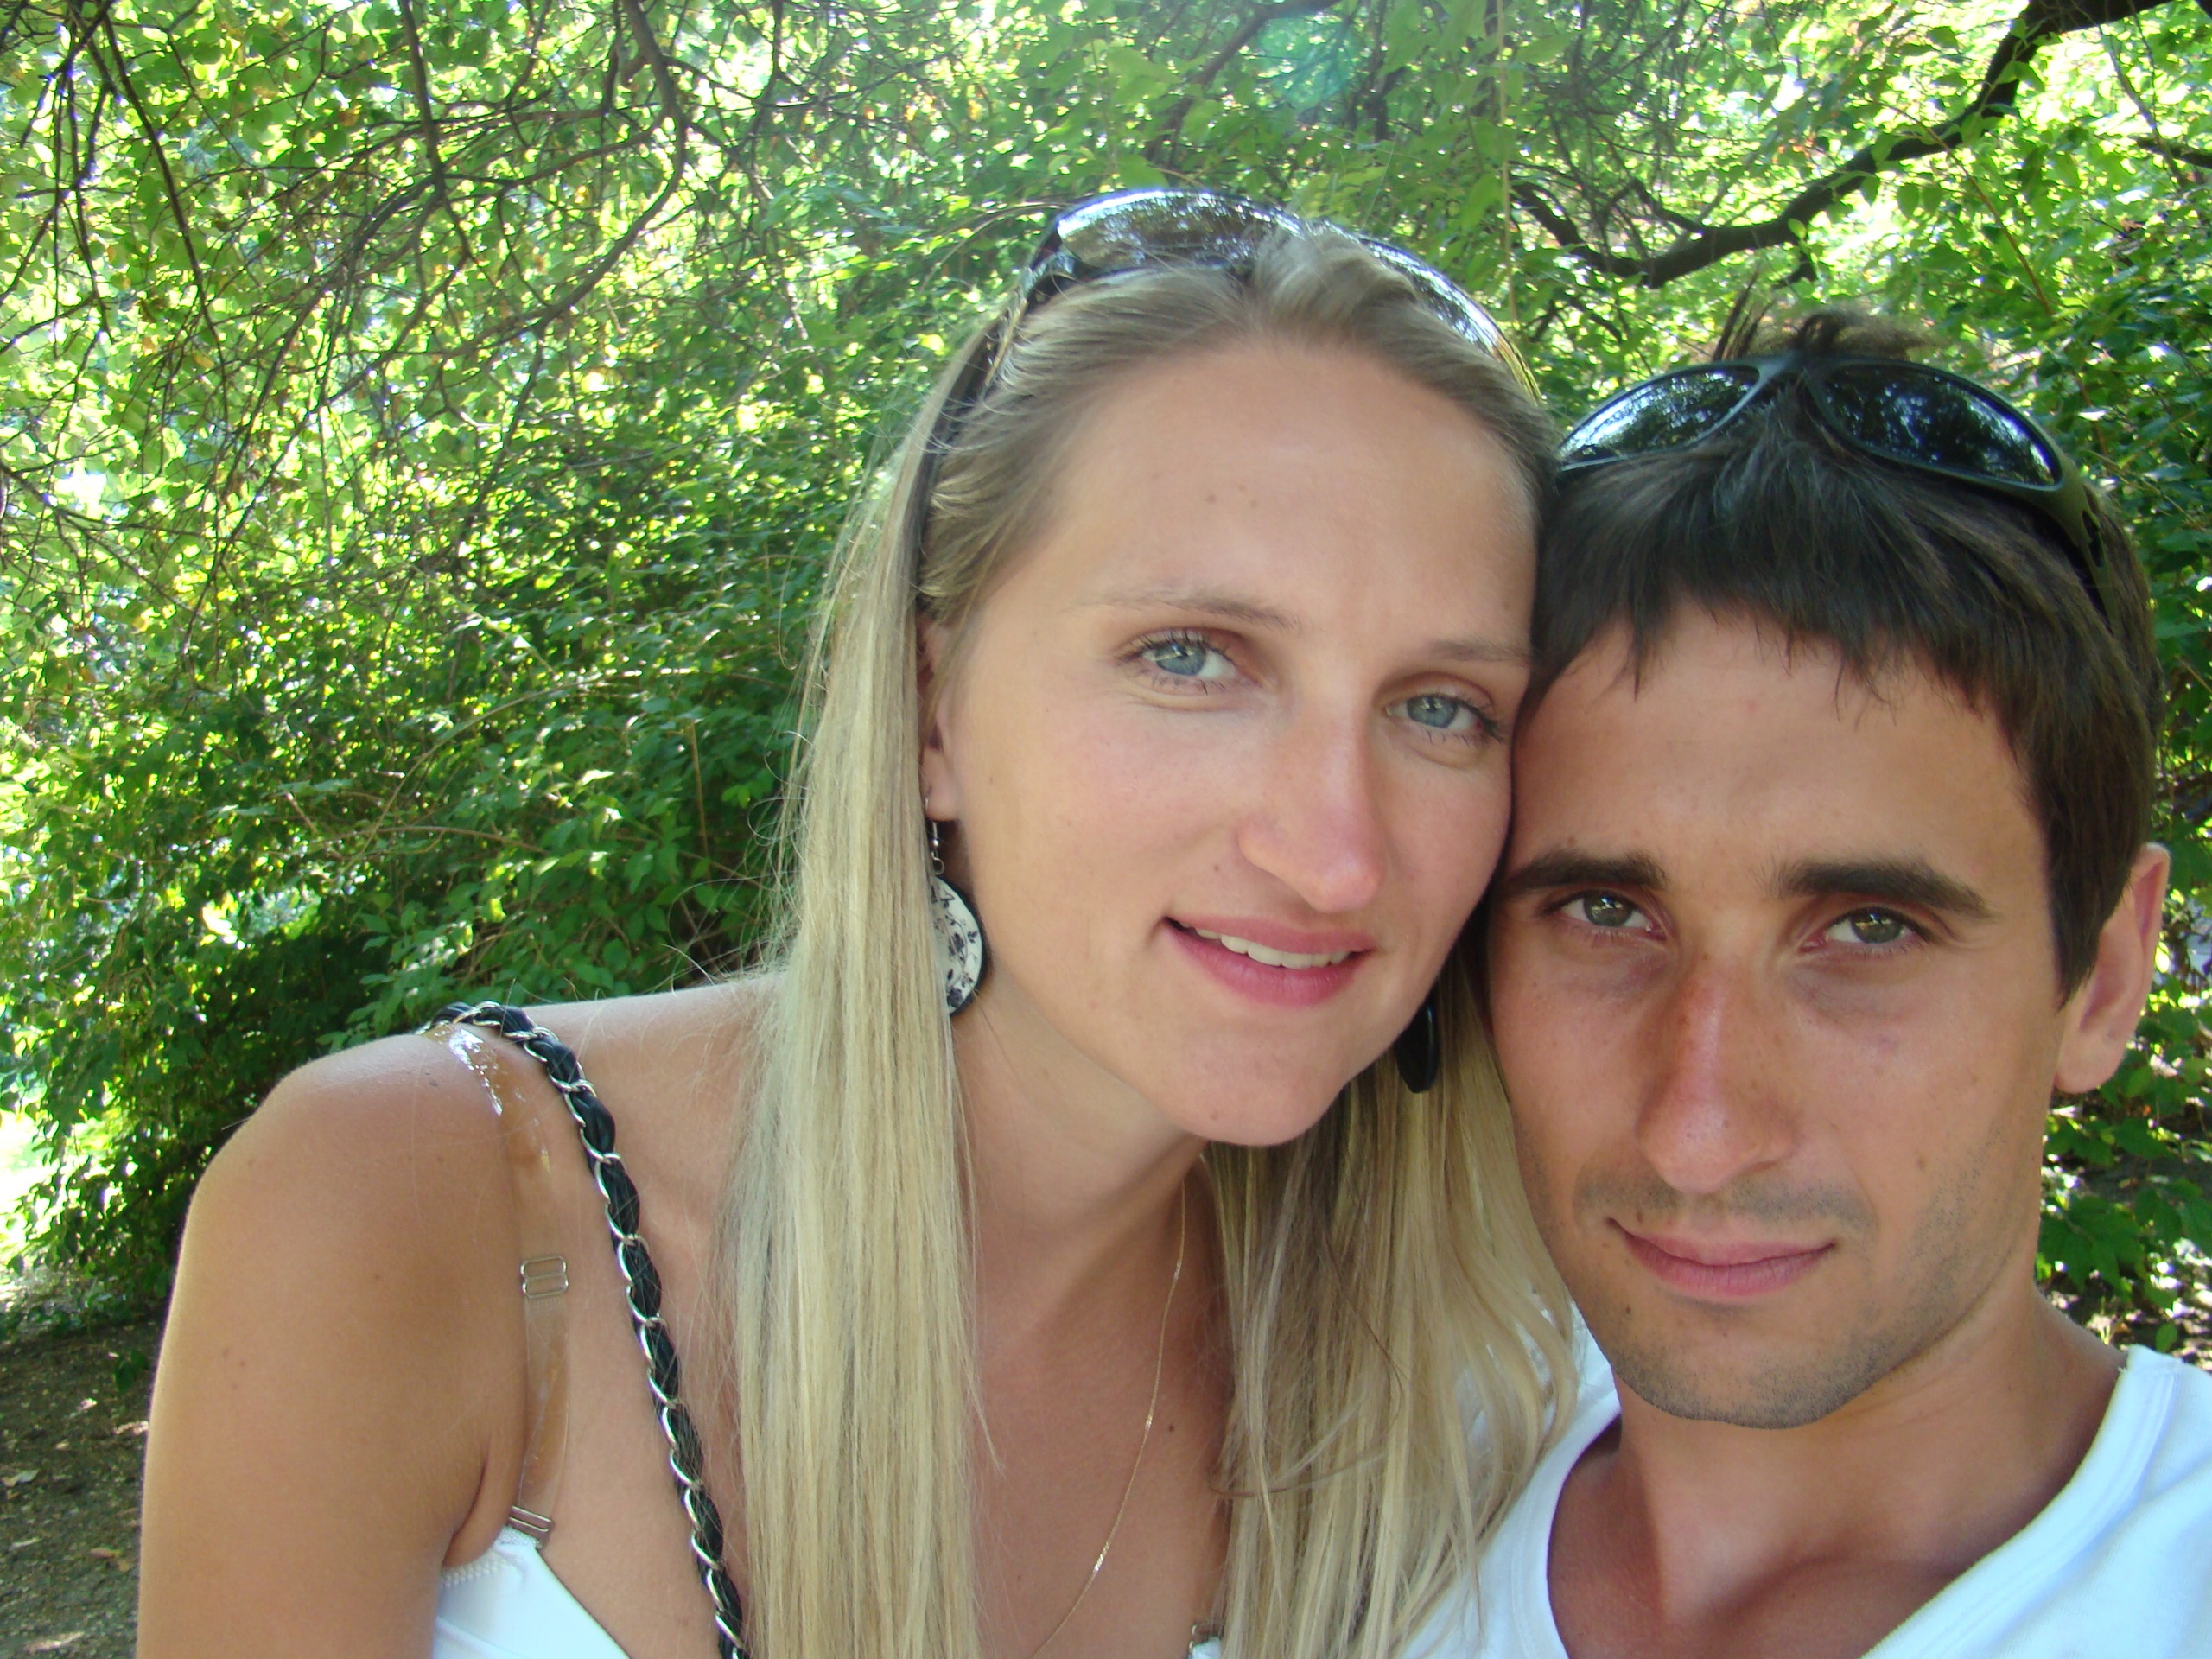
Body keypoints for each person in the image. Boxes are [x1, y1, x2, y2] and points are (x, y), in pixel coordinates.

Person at [137, 190, 1580, 1659]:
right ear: (931, 710)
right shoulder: (411, 1206)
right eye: (1192, 657)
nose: (1335, 858)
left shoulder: (1472, 1369)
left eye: (1440, 707)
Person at [1447, 311, 2212, 1658]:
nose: (1697, 1132)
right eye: (1606, 912)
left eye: (1869, 930)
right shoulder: (1339, 1531)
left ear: (2099, 978)